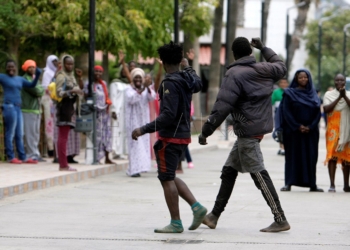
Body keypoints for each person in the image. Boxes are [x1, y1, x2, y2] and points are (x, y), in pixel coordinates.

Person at [199, 37, 290, 233]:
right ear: (250, 52)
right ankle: (214, 215)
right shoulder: (263, 69)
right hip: (252, 131)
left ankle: (280, 218)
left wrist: (206, 131)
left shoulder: (234, 74)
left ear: (233, 54)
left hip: (248, 132)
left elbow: (222, 106)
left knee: (258, 174)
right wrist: (264, 48)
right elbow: (281, 66)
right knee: (229, 171)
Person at [132, 41, 206, 233]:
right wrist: (188, 66)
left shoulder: (169, 83)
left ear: (163, 61)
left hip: (170, 137)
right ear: (180, 59)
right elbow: (198, 83)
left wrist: (143, 129)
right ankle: (197, 208)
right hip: (183, 135)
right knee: (170, 176)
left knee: (166, 179)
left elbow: (167, 116)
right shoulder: (186, 79)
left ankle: (176, 222)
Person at [279, 69, 323, 192]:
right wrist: (298, 126)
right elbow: (286, 112)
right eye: (300, 78)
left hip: (311, 132)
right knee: (292, 157)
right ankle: (289, 183)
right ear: (296, 79)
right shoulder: (289, 93)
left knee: (311, 157)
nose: (303, 79)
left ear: (309, 78)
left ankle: (312, 184)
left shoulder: (313, 94)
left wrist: (310, 126)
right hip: (293, 132)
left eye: (305, 77)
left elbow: (318, 113)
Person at [0, 59, 40, 164]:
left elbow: (31, 85)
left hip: (18, 107)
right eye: (8, 67)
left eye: (12, 66)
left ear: (16, 68)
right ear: (5, 68)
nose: (11, 69)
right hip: (9, 106)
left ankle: (23, 157)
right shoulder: (3, 77)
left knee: (20, 133)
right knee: (11, 133)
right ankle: (11, 156)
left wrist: (38, 75)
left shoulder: (19, 79)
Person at [125, 68, 156, 177]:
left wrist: (147, 87)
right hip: (133, 122)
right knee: (135, 145)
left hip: (143, 122)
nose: (138, 80)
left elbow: (152, 97)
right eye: (136, 77)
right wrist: (143, 88)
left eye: (140, 77)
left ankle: (142, 167)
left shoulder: (145, 89)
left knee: (143, 145)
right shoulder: (128, 89)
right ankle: (133, 170)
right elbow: (132, 99)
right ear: (132, 79)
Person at [55, 55, 84, 171]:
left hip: (70, 109)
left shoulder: (71, 77)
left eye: (71, 64)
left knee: (65, 137)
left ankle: (64, 163)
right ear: (63, 64)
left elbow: (79, 88)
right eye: (68, 64)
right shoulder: (61, 76)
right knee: (63, 137)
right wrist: (71, 91)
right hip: (63, 108)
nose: (70, 66)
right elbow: (59, 93)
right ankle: (63, 164)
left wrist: (80, 78)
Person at [323, 74, 350, 193]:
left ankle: (346, 184)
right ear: (334, 81)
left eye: (342, 80)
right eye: (337, 80)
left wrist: (345, 96)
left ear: (345, 81)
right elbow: (326, 109)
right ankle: (332, 184)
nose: (339, 81)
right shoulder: (328, 95)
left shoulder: (349, 94)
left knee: (347, 158)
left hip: (347, 130)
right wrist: (340, 97)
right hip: (333, 130)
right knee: (332, 157)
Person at [84, 65, 114, 163]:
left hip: (104, 113)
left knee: (107, 135)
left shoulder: (103, 84)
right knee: (97, 135)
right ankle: (96, 157)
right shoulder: (89, 84)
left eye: (100, 71)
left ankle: (107, 157)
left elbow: (107, 96)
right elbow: (85, 95)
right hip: (95, 114)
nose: (98, 73)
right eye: (96, 71)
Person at [21, 60, 45, 162]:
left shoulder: (35, 78)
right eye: (29, 67)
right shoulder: (24, 79)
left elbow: (41, 90)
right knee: (30, 134)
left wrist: (40, 89)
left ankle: (36, 153)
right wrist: (40, 89)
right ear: (25, 68)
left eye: (33, 67)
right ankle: (30, 154)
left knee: (36, 134)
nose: (32, 69)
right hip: (28, 109)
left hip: (37, 110)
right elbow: (36, 91)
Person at [41, 55, 58, 157]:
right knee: (49, 124)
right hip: (48, 101)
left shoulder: (57, 73)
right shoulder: (47, 73)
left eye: (57, 61)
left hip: (56, 101)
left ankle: (55, 147)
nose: (56, 63)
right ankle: (50, 148)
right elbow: (45, 88)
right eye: (54, 61)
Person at [272, 78, 289, 156]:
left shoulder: (290, 91)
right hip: (278, 113)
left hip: (288, 113)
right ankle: (281, 146)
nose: (283, 84)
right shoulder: (276, 92)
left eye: (285, 83)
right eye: (281, 83)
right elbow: (272, 102)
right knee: (279, 129)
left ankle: (285, 147)